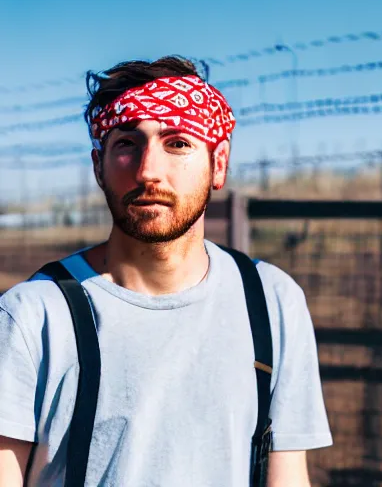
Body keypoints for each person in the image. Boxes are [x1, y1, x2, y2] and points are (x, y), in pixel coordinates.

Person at [0, 56, 332, 486]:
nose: (148, 171)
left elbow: (287, 477)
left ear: (220, 163)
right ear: (98, 165)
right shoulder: (32, 316)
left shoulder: (271, 301)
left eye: (177, 143)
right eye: (126, 144)